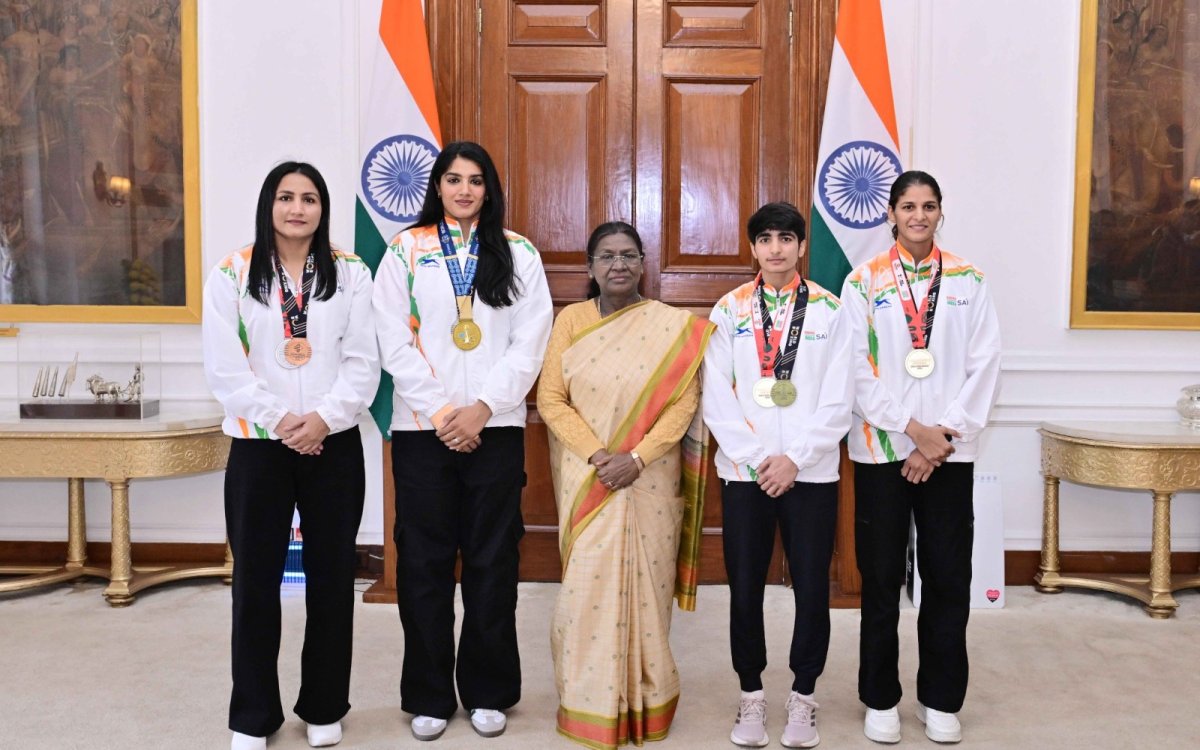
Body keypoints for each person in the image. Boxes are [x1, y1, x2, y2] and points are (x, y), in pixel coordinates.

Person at [372, 141, 553, 741]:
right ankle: (428, 693)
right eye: (453, 179)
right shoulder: (406, 249)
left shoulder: (518, 253)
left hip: (494, 429)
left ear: (489, 188)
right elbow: (393, 340)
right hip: (424, 431)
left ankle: (488, 690)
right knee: (422, 563)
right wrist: (445, 411)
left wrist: (482, 408)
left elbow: (531, 342)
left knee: (492, 562)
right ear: (438, 186)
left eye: (476, 180)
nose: (465, 190)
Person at [202, 161, 380, 750]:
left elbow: (363, 361)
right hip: (260, 446)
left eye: (309, 198)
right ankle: (253, 715)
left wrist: (324, 419)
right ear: (268, 204)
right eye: (286, 197)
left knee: (332, 578)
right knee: (254, 581)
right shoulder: (232, 272)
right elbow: (225, 367)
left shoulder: (351, 272)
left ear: (322, 207)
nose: (297, 208)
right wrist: (282, 421)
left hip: (333, 442)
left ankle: (324, 705)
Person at [538, 222, 714, 749]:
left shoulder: (671, 326)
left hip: (648, 480)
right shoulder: (571, 321)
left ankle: (648, 702)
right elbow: (551, 399)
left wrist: (636, 458)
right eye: (607, 255)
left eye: (629, 255)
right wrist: (599, 456)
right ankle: (588, 704)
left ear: (644, 264)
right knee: (584, 592)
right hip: (588, 478)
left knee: (648, 594)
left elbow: (685, 402)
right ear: (590, 267)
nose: (619, 264)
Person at [840, 171, 1000, 745]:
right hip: (883, 450)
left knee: (948, 578)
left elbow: (986, 364)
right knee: (881, 577)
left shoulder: (968, 279)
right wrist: (911, 430)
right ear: (890, 212)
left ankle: (940, 698)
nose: (918, 215)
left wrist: (941, 438)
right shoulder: (863, 282)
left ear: (940, 212)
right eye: (908, 205)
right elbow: (856, 369)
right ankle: (880, 698)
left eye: (928, 206)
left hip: (948, 456)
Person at [702, 202, 853, 749]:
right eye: (765, 238)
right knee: (745, 587)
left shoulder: (832, 311)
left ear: (801, 246)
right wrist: (757, 457)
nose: (775, 248)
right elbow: (716, 395)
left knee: (812, 588)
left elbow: (841, 396)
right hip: (746, 475)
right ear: (753, 248)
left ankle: (804, 698)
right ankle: (750, 695)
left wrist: (798, 457)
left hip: (810, 475)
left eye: (786, 238)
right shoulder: (730, 309)